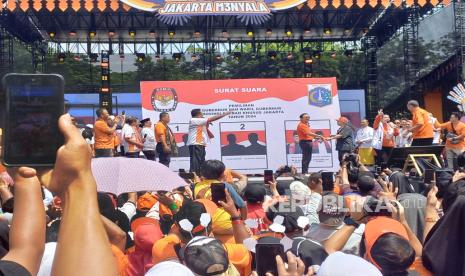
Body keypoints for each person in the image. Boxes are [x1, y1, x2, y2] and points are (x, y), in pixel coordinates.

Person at [187, 109, 231, 174]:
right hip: (196, 144)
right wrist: (224, 114)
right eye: (201, 114)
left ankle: (199, 176)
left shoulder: (199, 122)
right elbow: (211, 119)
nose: (202, 115)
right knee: (196, 163)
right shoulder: (194, 120)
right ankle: (194, 177)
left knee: (201, 162)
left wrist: (207, 123)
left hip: (200, 144)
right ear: (198, 114)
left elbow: (208, 127)